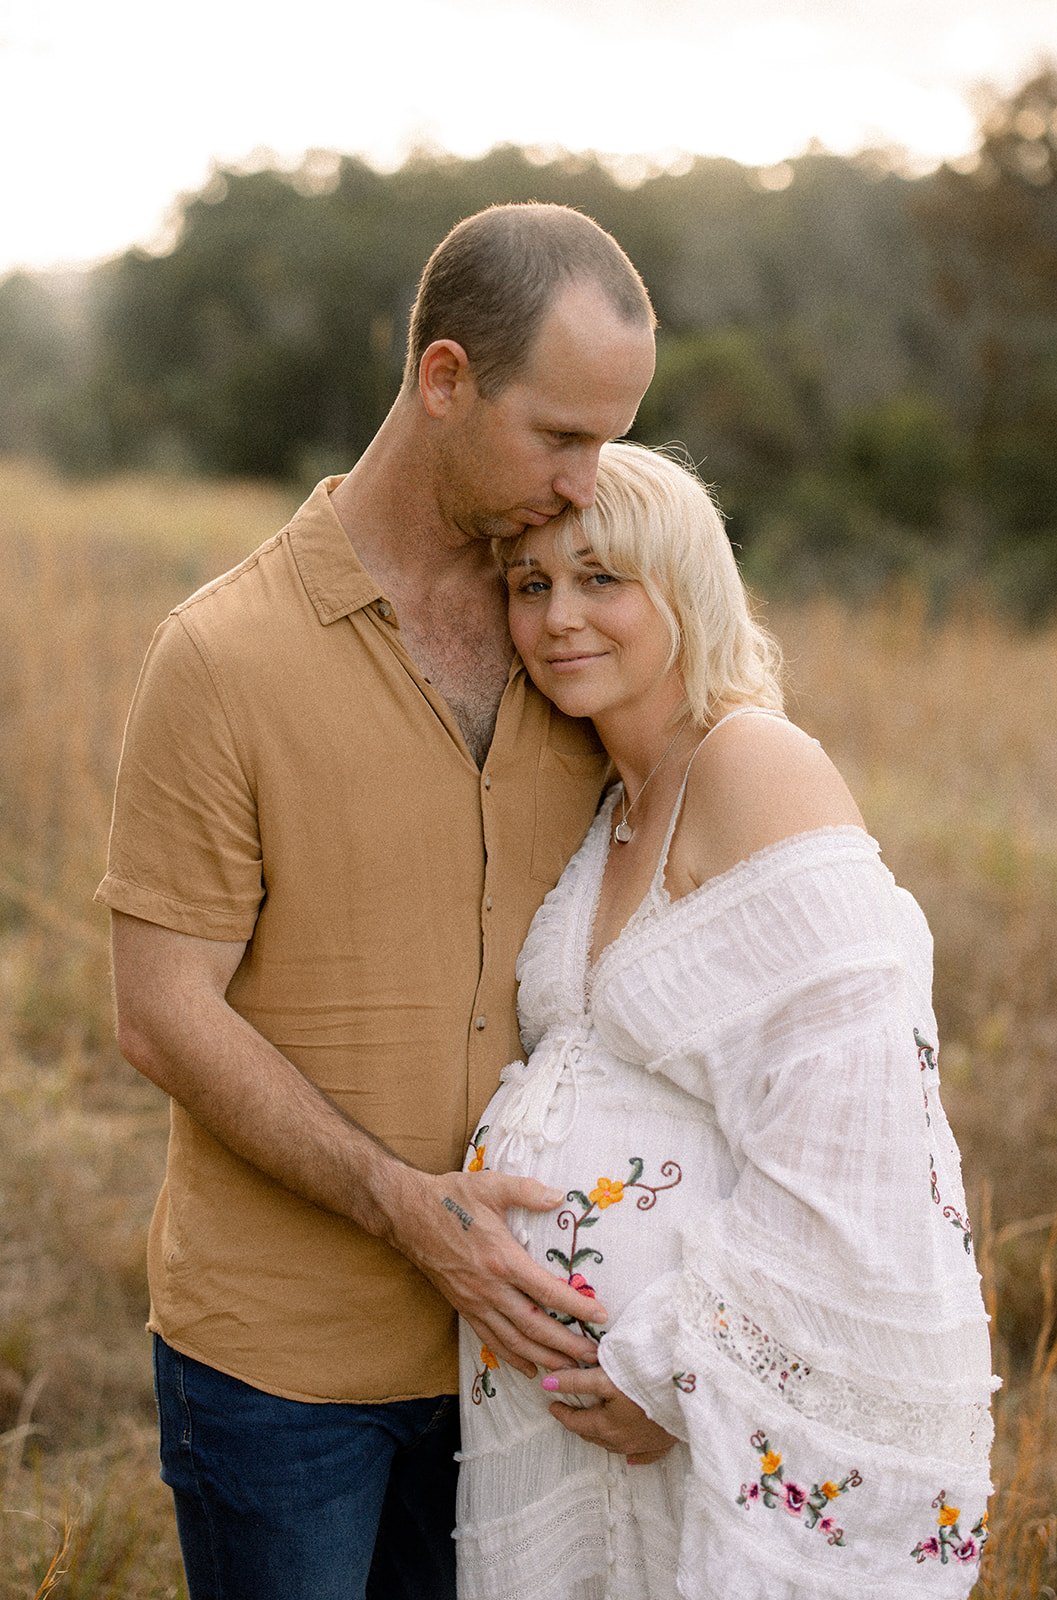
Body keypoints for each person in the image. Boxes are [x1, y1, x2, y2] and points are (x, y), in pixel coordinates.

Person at [95, 203, 657, 1600]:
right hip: (285, 1372)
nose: (592, 483)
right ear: (446, 378)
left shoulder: (571, 624)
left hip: (522, 1358)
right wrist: (399, 1204)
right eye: (562, 437)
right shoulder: (220, 658)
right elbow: (162, 1015)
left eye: (614, 440)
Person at [455, 441, 995, 1599]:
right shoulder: (608, 800)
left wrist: (673, 1373)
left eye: (602, 578)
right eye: (531, 582)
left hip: (694, 1409)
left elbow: (855, 1127)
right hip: (554, 1421)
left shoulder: (753, 763)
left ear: (687, 591)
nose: (558, 618)